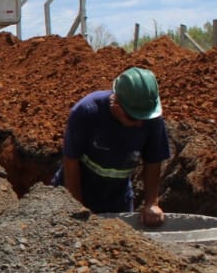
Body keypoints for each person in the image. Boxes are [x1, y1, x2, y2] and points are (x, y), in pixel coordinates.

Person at [53, 66, 171, 225]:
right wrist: (77, 209)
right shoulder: (86, 112)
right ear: (116, 103)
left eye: (143, 118)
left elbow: (153, 161)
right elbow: (71, 161)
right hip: (76, 193)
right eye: (133, 118)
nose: (140, 124)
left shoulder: (151, 117)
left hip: (117, 199)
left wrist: (152, 203)